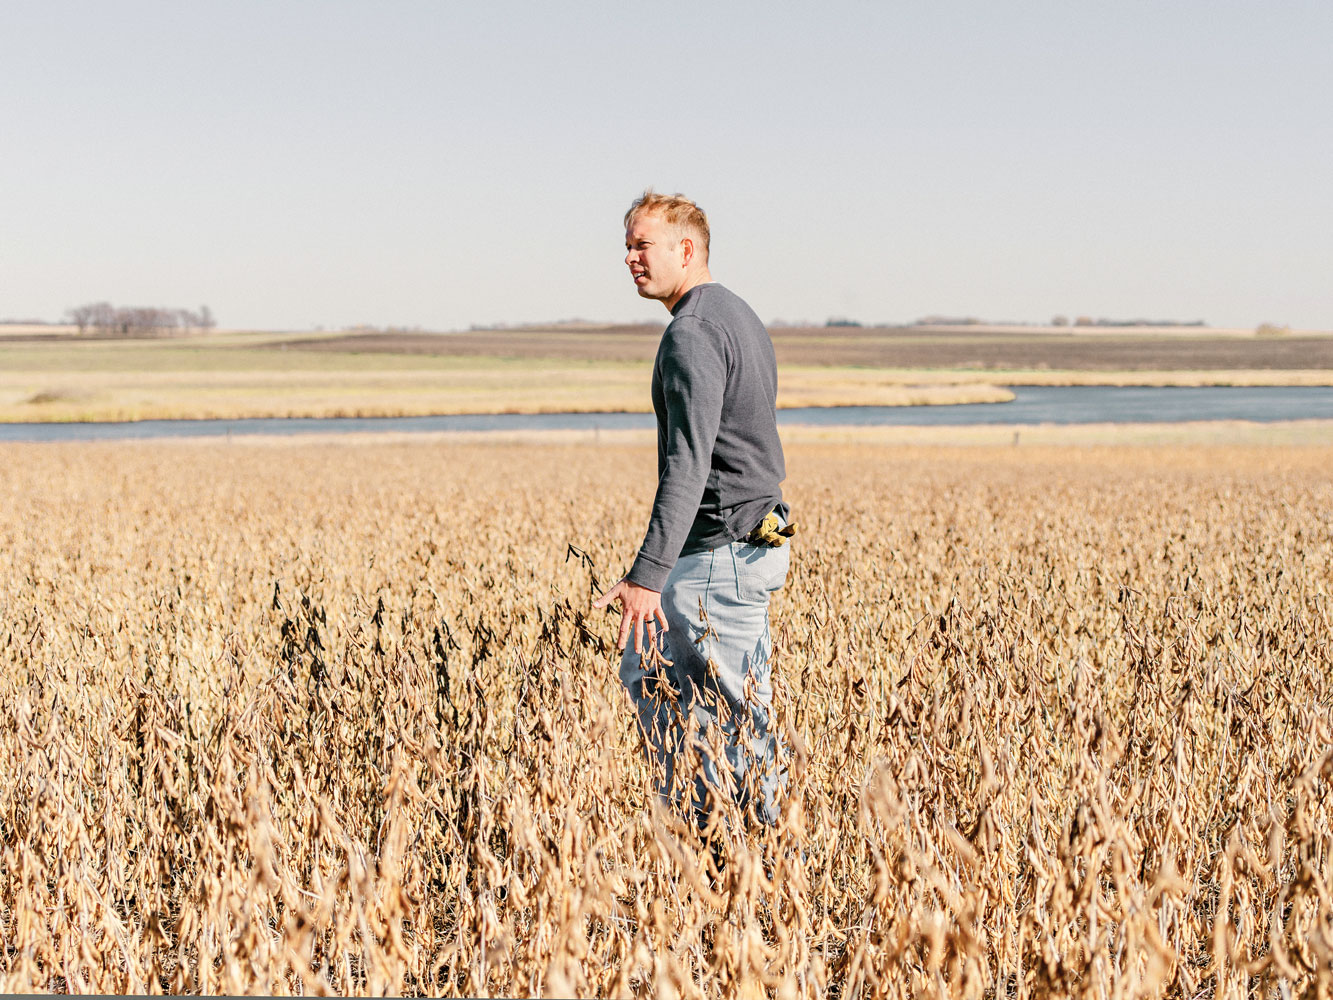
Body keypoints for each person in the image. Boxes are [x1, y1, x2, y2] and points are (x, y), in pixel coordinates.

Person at [593, 190, 794, 829]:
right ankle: (705, 842)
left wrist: (647, 575)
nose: (629, 258)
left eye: (641, 245)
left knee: (728, 711)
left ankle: (742, 853)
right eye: (626, 245)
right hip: (745, 542)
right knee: (671, 683)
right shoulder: (736, 315)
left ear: (686, 249)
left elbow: (689, 461)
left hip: (720, 551)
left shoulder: (693, 333)